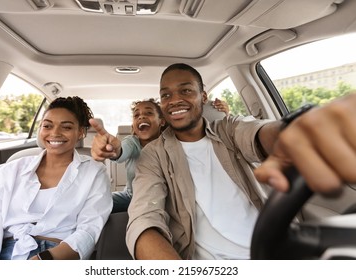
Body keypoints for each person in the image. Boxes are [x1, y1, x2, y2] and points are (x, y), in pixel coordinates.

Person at [125, 63, 356, 260]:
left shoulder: (229, 128)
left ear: (202, 97)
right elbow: (144, 218)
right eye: (166, 95)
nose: (174, 100)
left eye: (185, 91)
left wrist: (295, 131)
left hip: (275, 249)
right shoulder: (153, 155)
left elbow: (258, 133)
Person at [0, 96, 112, 260]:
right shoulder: (10, 170)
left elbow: (89, 231)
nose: (55, 133)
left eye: (66, 127)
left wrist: (44, 259)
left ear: (80, 132)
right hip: (6, 252)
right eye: (47, 126)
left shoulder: (94, 172)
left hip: (56, 255)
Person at [90, 98, 229, 213]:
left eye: (148, 113)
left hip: (167, 198)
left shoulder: (171, 142)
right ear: (133, 126)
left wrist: (224, 115)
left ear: (162, 121)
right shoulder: (132, 143)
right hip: (134, 197)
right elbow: (122, 151)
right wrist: (115, 150)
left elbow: (200, 130)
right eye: (136, 115)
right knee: (95, 203)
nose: (142, 116)